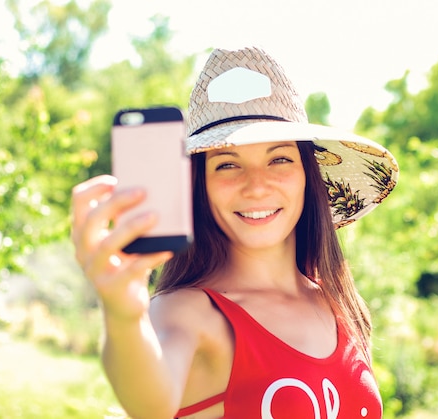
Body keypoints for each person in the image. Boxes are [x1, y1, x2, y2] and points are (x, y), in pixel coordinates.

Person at [71, 46, 398, 419]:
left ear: (309, 176)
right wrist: (124, 314)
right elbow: (151, 404)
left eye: (279, 159)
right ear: (200, 187)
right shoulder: (186, 313)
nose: (256, 187)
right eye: (227, 164)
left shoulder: (340, 305)